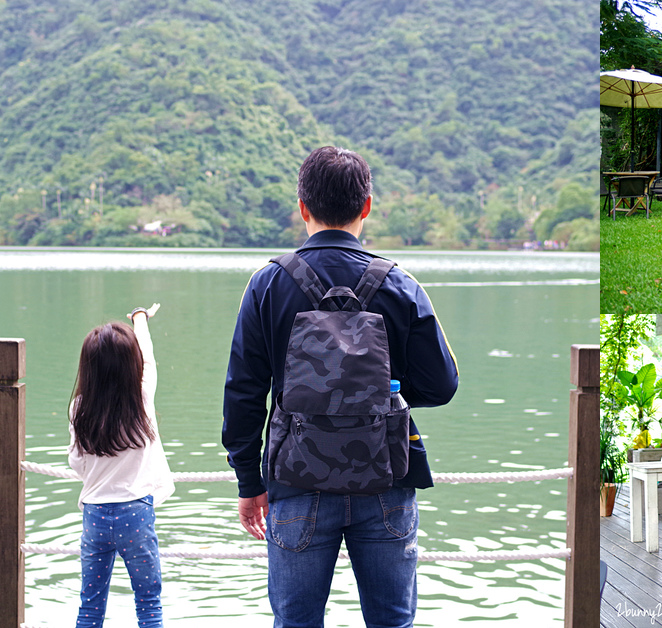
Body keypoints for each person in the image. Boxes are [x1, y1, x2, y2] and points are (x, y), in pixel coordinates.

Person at [223, 146, 459, 627]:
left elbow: (244, 393)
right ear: (366, 206)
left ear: (303, 207)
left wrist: (250, 482)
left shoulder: (267, 284)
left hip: (295, 481)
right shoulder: (400, 285)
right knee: (392, 622)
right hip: (386, 479)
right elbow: (442, 384)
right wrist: (385, 386)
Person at [69, 303, 173, 628]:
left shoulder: (79, 407)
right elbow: (150, 357)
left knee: (90, 605)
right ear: (133, 366)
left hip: (95, 516)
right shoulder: (142, 398)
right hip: (136, 516)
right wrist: (140, 318)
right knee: (148, 603)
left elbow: (76, 462)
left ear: (88, 367)